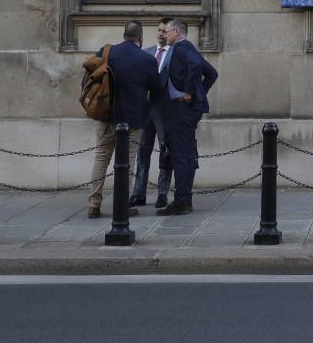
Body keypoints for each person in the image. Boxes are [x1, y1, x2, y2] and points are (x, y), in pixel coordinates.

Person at [88, 20, 162, 219]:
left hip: (106, 115)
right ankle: (122, 204)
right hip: (133, 118)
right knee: (127, 162)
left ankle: (94, 204)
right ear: (140, 38)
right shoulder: (146, 59)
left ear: (123, 35)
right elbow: (156, 90)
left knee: (101, 158)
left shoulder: (106, 51)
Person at [156, 18, 218, 216]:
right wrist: (200, 92)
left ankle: (181, 200)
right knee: (187, 153)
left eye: (166, 32)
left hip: (182, 109)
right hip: (189, 110)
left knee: (180, 155)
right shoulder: (189, 48)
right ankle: (186, 199)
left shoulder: (182, 49)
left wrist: (190, 92)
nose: (164, 35)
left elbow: (197, 67)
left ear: (175, 32)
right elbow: (212, 73)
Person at [129, 17, 175, 209]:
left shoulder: (175, 53)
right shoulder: (146, 52)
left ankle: (162, 193)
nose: (161, 34)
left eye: (164, 31)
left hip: (165, 110)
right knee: (142, 152)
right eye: (159, 30)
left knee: (165, 151)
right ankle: (138, 193)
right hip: (145, 110)